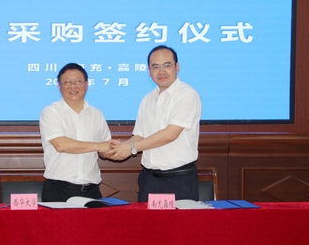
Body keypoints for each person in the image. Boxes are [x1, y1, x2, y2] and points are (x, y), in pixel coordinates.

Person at [107, 45, 201, 202]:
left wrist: (131, 148)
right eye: (155, 67)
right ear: (149, 71)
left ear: (177, 67)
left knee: (179, 219)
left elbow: (170, 134)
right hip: (150, 180)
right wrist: (122, 147)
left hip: (178, 179)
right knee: (147, 219)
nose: (161, 71)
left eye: (167, 65)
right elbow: (139, 135)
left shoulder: (187, 95)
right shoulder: (147, 99)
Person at [39, 63, 112, 202]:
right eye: (67, 82)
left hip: (91, 191)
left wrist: (114, 149)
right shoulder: (50, 112)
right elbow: (61, 145)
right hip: (58, 190)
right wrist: (99, 146)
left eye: (78, 81)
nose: (73, 86)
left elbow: (104, 150)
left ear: (86, 84)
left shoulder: (97, 114)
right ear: (59, 86)